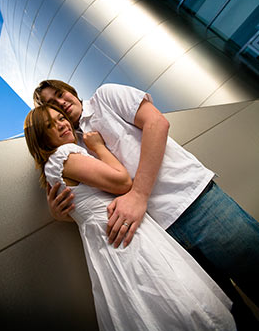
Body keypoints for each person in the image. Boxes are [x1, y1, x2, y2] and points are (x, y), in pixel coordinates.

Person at [33, 80, 259, 319]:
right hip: (163, 239)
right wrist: (60, 215)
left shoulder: (105, 97)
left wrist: (139, 194)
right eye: (51, 105)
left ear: (71, 91)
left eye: (60, 94)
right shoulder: (72, 147)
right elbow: (96, 203)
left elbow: (157, 123)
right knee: (228, 315)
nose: (60, 103)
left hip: (196, 204)